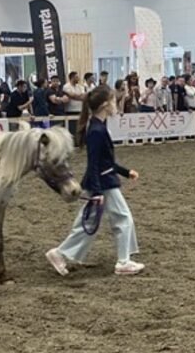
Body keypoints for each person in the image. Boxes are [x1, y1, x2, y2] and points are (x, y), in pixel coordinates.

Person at [45, 85, 144, 277]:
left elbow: (103, 161)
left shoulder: (97, 127)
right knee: (122, 219)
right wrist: (98, 192)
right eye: (114, 101)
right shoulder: (97, 131)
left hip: (101, 181)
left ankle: (59, 253)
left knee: (88, 223)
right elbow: (95, 164)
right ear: (106, 104)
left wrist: (125, 172)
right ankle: (123, 261)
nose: (116, 105)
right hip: (104, 183)